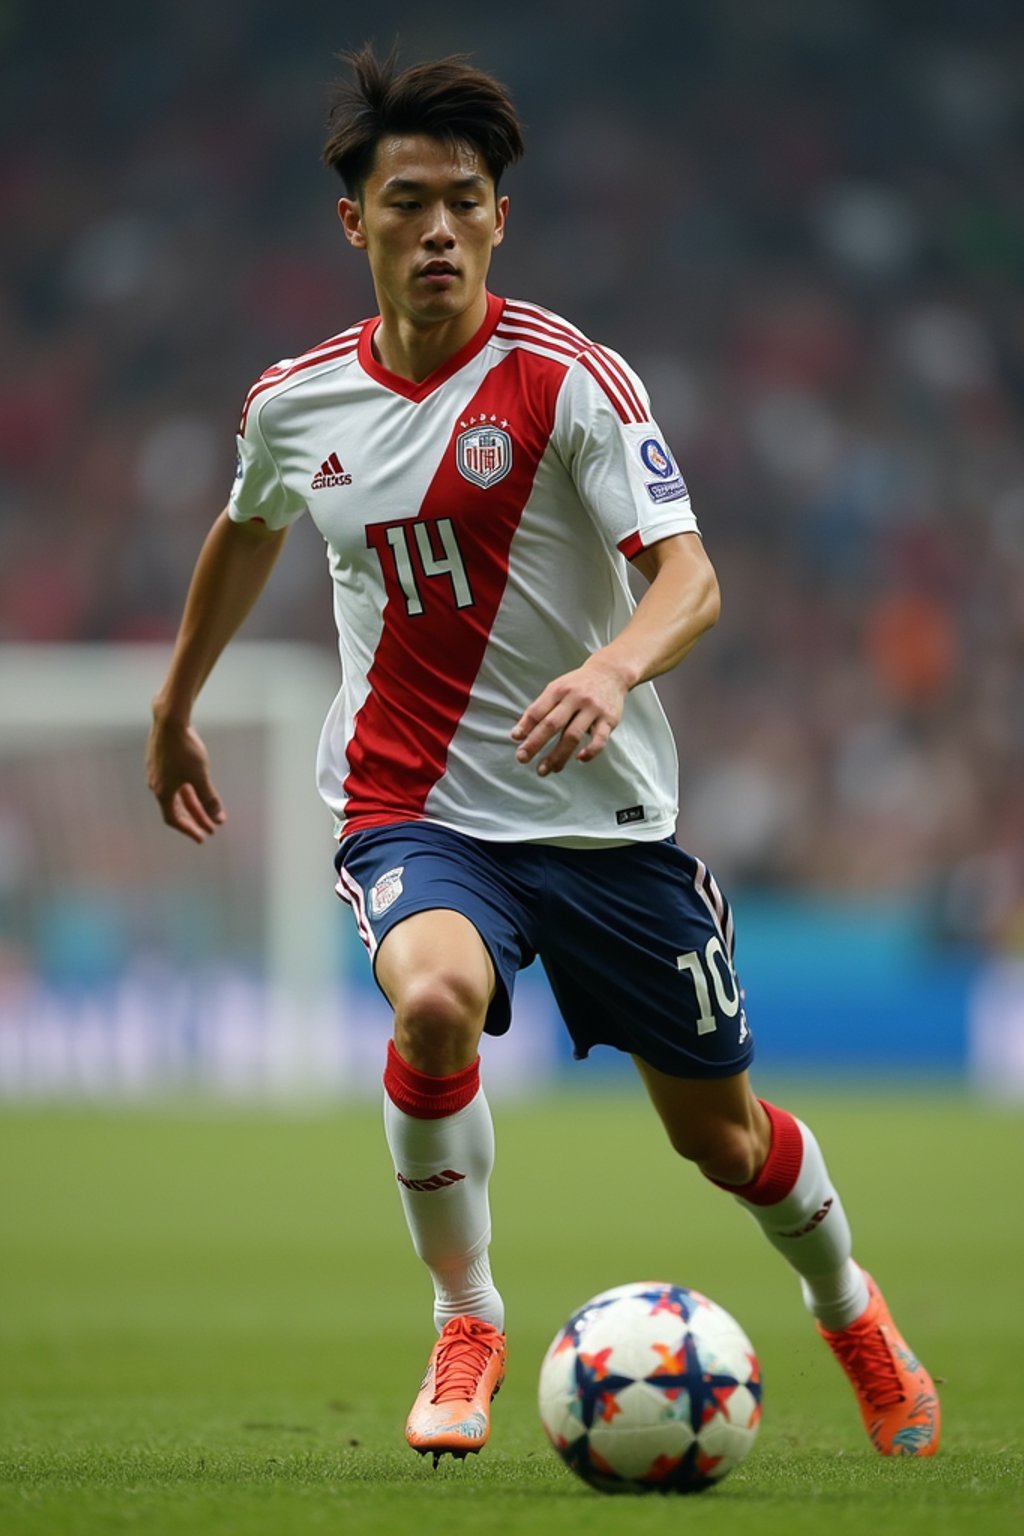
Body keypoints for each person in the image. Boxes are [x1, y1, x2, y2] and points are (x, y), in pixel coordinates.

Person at [146, 46, 940, 1465]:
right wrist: (171, 705)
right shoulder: (295, 404)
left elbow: (690, 576)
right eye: (407, 203)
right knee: (434, 1004)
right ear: (356, 224)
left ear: (500, 218)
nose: (437, 228)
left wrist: (612, 662)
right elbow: (250, 524)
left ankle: (848, 1306)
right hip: (412, 807)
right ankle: (467, 1316)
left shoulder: (569, 380)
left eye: (463, 201)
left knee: (726, 1139)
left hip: (607, 823)